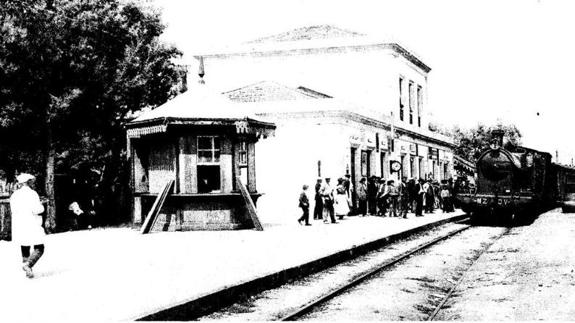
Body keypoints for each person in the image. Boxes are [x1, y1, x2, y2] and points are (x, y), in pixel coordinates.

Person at [10, 173, 45, 279]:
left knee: (25, 245)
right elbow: (37, 209)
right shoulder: (32, 194)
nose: (33, 183)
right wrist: (42, 206)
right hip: (32, 223)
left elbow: (13, 210)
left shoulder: (14, 195)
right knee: (39, 247)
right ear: (28, 182)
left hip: (19, 224)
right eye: (31, 181)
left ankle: (27, 268)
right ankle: (28, 264)